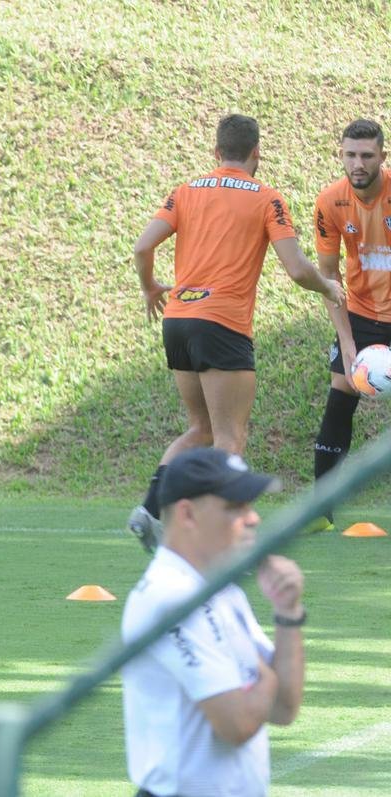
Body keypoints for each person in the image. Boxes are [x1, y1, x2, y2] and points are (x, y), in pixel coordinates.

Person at [129, 114, 344, 552]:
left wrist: (150, 287)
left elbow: (142, 246)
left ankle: (149, 510)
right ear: (256, 153)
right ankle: (223, 535)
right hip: (222, 323)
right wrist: (328, 286)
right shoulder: (266, 198)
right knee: (230, 436)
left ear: (216, 152)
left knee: (200, 428)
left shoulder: (185, 191)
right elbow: (297, 269)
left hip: (178, 319)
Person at [122, 447, 306, 797]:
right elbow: (237, 724)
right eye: (235, 506)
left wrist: (288, 613)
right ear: (188, 514)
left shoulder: (222, 590)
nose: (253, 518)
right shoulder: (168, 597)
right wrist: (266, 676)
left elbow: (284, 707)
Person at [308, 119, 391, 532]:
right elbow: (328, 276)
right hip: (359, 311)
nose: (358, 163)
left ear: (382, 157)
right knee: (341, 391)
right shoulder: (330, 202)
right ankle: (318, 511)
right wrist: (345, 341)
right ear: (340, 154)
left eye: (367, 156)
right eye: (350, 155)